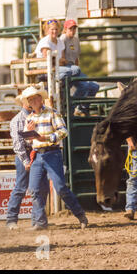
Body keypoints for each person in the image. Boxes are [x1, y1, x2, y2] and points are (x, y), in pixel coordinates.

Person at [22, 86, 88, 230]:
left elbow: (63, 131)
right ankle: (40, 222)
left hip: (52, 153)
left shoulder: (52, 113)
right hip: (38, 154)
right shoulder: (29, 118)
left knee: (60, 187)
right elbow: (28, 141)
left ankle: (80, 215)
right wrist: (28, 132)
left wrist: (46, 137)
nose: (32, 101)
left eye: (34, 98)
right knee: (34, 189)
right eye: (30, 99)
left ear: (40, 99)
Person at [6, 93, 49, 230]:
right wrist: (25, 161)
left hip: (38, 154)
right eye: (29, 100)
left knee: (40, 188)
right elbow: (18, 145)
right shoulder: (18, 120)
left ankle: (37, 220)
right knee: (21, 188)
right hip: (26, 156)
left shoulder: (37, 116)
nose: (31, 102)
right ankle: (11, 220)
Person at [60, 19, 99, 116]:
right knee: (84, 85)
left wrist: (77, 69)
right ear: (65, 29)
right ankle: (71, 108)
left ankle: (83, 108)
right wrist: (73, 69)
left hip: (74, 68)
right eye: (70, 28)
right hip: (66, 68)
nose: (72, 31)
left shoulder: (76, 40)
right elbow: (61, 58)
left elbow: (77, 58)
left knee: (94, 86)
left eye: (74, 28)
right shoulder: (63, 39)